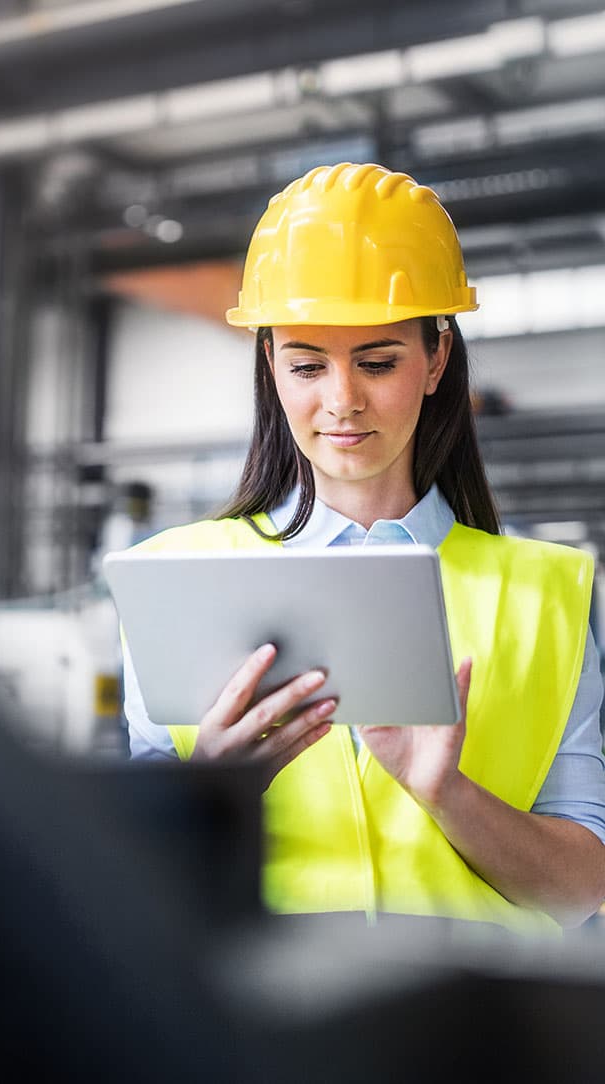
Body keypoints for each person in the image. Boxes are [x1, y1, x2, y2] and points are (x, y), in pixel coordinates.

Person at [122, 161, 605, 934]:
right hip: (260, 1033)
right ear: (270, 366)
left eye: (378, 362)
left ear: (437, 359)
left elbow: (583, 891)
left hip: (482, 1037)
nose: (342, 401)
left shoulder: (550, 595)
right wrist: (212, 787)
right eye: (307, 366)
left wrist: (451, 795)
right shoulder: (175, 579)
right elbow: (126, 888)